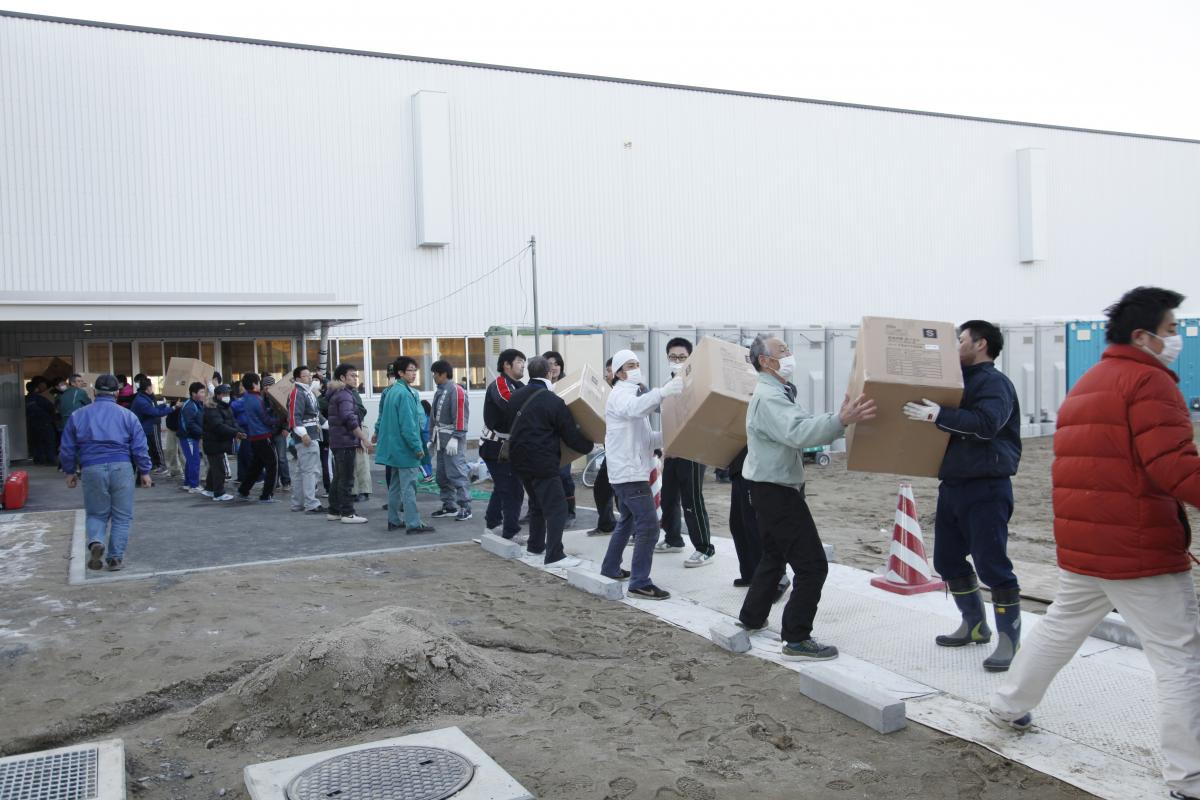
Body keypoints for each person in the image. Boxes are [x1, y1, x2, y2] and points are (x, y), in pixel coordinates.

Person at [989, 287, 1200, 800]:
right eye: (1172, 330)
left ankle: (1006, 706)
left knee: (1060, 628)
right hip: (1138, 550)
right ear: (1143, 336)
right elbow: (1173, 465)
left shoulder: (1089, 382)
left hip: (1087, 545)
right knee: (1180, 658)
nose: (1176, 340)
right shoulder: (1149, 382)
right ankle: (1189, 777)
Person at [738, 334, 876, 661]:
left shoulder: (777, 391)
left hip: (768, 488)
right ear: (765, 362)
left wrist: (836, 420)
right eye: (782, 351)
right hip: (775, 492)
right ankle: (797, 638)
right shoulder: (770, 398)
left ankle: (752, 617)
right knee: (812, 565)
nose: (789, 355)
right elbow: (798, 431)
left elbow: (797, 426)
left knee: (774, 555)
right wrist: (841, 420)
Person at [903, 320, 1023, 672]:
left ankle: (1008, 641)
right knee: (947, 561)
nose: (955, 346)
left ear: (981, 344)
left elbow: (987, 424)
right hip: (953, 484)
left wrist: (939, 415)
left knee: (992, 565)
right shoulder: (957, 382)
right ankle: (974, 624)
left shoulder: (995, 383)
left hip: (987, 485)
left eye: (961, 340)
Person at [599, 349, 684, 599]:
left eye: (637, 363)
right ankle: (639, 581)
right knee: (648, 526)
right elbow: (635, 410)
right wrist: (662, 392)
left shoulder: (632, 394)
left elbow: (647, 439)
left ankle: (610, 567)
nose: (636, 368)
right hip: (629, 473)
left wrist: (673, 435)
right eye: (630, 365)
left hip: (630, 470)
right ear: (619, 373)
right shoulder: (621, 395)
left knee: (627, 521)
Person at [506, 356, 595, 566]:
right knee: (557, 508)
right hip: (543, 462)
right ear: (548, 373)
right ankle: (555, 554)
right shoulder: (553, 401)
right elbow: (570, 435)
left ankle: (536, 546)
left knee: (536, 503)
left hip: (518, 460)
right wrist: (590, 446)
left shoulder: (516, 396)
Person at [59, 373, 153, 571]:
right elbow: (140, 446)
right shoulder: (127, 415)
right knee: (122, 516)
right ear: (117, 393)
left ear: (93, 392)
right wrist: (145, 471)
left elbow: (67, 447)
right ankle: (115, 558)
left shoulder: (79, 415)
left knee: (96, 513)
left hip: (91, 467)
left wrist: (69, 472)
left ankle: (96, 542)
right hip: (121, 466)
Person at [656, 337, 716, 567]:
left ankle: (705, 548)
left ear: (690, 358)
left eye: (682, 357)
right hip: (672, 451)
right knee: (669, 497)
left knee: (692, 500)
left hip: (692, 450)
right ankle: (673, 539)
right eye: (673, 357)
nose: (677, 361)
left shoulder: (697, 383)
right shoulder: (668, 385)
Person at [374, 357, 434, 533]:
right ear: (400, 373)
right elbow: (408, 426)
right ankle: (413, 524)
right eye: (410, 370)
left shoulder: (392, 391)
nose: (414, 373)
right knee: (409, 487)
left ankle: (393, 520)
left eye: (415, 370)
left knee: (395, 486)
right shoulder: (405, 394)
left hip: (393, 448)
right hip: (405, 449)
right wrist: (417, 448)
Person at [480, 349, 527, 543]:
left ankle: (492, 523)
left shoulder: (520, 385)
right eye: (519, 361)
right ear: (506, 365)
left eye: (524, 361)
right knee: (512, 488)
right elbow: (510, 403)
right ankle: (510, 531)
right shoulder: (500, 384)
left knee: (504, 486)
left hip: (509, 445)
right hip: (496, 446)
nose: (523, 365)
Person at [326, 363, 373, 523]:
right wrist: (363, 438)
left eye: (356, 375)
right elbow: (349, 419)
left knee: (339, 477)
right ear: (342, 378)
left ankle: (334, 510)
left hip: (339, 441)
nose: (355, 378)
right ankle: (347, 513)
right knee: (346, 479)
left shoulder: (336, 393)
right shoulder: (345, 394)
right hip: (345, 442)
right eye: (352, 375)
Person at [430, 360, 472, 521]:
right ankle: (449, 505)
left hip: (453, 440)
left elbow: (461, 416)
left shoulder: (457, 390)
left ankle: (465, 507)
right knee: (442, 475)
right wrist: (431, 439)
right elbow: (434, 418)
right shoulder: (440, 391)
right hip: (441, 440)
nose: (433, 377)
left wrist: (456, 436)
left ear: (443, 374)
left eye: (435, 374)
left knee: (457, 474)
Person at [541, 350, 580, 525]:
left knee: (563, 476)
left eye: (557, 363)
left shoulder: (568, 384)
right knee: (545, 477)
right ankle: (544, 511)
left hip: (564, 439)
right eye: (550, 363)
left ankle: (569, 512)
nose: (554, 367)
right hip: (545, 440)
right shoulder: (541, 386)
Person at [234, 372, 279, 504]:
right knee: (272, 465)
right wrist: (279, 418)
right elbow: (266, 419)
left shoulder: (246, 397)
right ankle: (266, 495)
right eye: (258, 382)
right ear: (254, 384)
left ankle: (243, 490)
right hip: (264, 435)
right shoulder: (257, 400)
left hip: (254, 436)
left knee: (256, 465)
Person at [287, 365, 326, 514]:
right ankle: (311, 503)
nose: (310, 377)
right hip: (307, 437)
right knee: (311, 471)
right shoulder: (298, 392)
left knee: (301, 471)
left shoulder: (306, 392)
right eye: (306, 376)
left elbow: (316, 415)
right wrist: (303, 434)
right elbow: (294, 416)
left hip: (309, 435)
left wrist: (328, 425)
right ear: (298, 378)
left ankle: (298, 503)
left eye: (310, 375)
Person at [586, 357, 618, 537]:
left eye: (609, 370)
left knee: (623, 494)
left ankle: (635, 531)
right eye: (606, 370)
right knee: (602, 488)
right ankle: (607, 524)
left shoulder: (631, 392)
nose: (606, 374)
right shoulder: (606, 392)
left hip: (624, 453)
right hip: (611, 451)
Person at [202, 383, 244, 501]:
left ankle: (209, 489)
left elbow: (232, 422)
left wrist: (240, 431)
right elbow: (218, 426)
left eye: (228, 394)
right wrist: (235, 433)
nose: (227, 396)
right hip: (213, 442)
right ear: (218, 395)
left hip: (220, 442)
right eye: (225, 394)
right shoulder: (212, 408)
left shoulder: (226, 406)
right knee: (219, 469)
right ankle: (219, 493)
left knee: (214, 467)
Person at [130, 375, 176, 476]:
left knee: (152, 446)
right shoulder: (142, 400)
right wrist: (172, 409)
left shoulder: (145, 397)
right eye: (152, 386)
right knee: (155, 445)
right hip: (147, 426)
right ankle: (161, 465)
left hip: (146, 425)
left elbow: (154, 408)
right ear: (148, 388)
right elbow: (155, 412)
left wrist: (165, 405)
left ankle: (156, 465)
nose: (153, 388)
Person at [261, 375, 292, 492]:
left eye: (269, 385)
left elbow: (287, 413)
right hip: (267, 432)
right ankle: (274, 481)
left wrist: (286, 428)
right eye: (265, 385)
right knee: (270, 458)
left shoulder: (280, 396)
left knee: (282, 458)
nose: (267, 387)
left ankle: (286, 482)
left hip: (279, 431)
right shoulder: (261, 398)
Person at [178, 381, 207, 493]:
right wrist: (203, 433)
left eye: (204, 391)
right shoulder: (190, 406)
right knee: (194, 460)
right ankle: (194, 486)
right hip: (188, 437)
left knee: (191, 460)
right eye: (201, 392)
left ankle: (188, 483)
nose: (204, 394)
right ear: (194, 393)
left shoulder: (196, 404)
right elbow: (190, 424)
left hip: (191, 437)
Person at [25, 377, 57, 465]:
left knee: (36, 442)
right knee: (49, 441)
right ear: (36, 389)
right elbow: (51, 407)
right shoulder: (40, 398)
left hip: (32, 424)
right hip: (44, 422)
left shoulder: (26, 399)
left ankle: (39, 459)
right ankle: (50, 460)